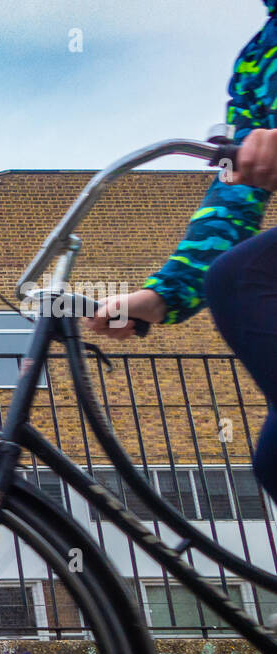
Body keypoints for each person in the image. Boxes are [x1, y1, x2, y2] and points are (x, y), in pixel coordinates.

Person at [88, 0, 277, 502]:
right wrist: (163, 295)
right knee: (276, 458)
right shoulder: (259, 59)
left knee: (239, 278)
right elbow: (235, 195)